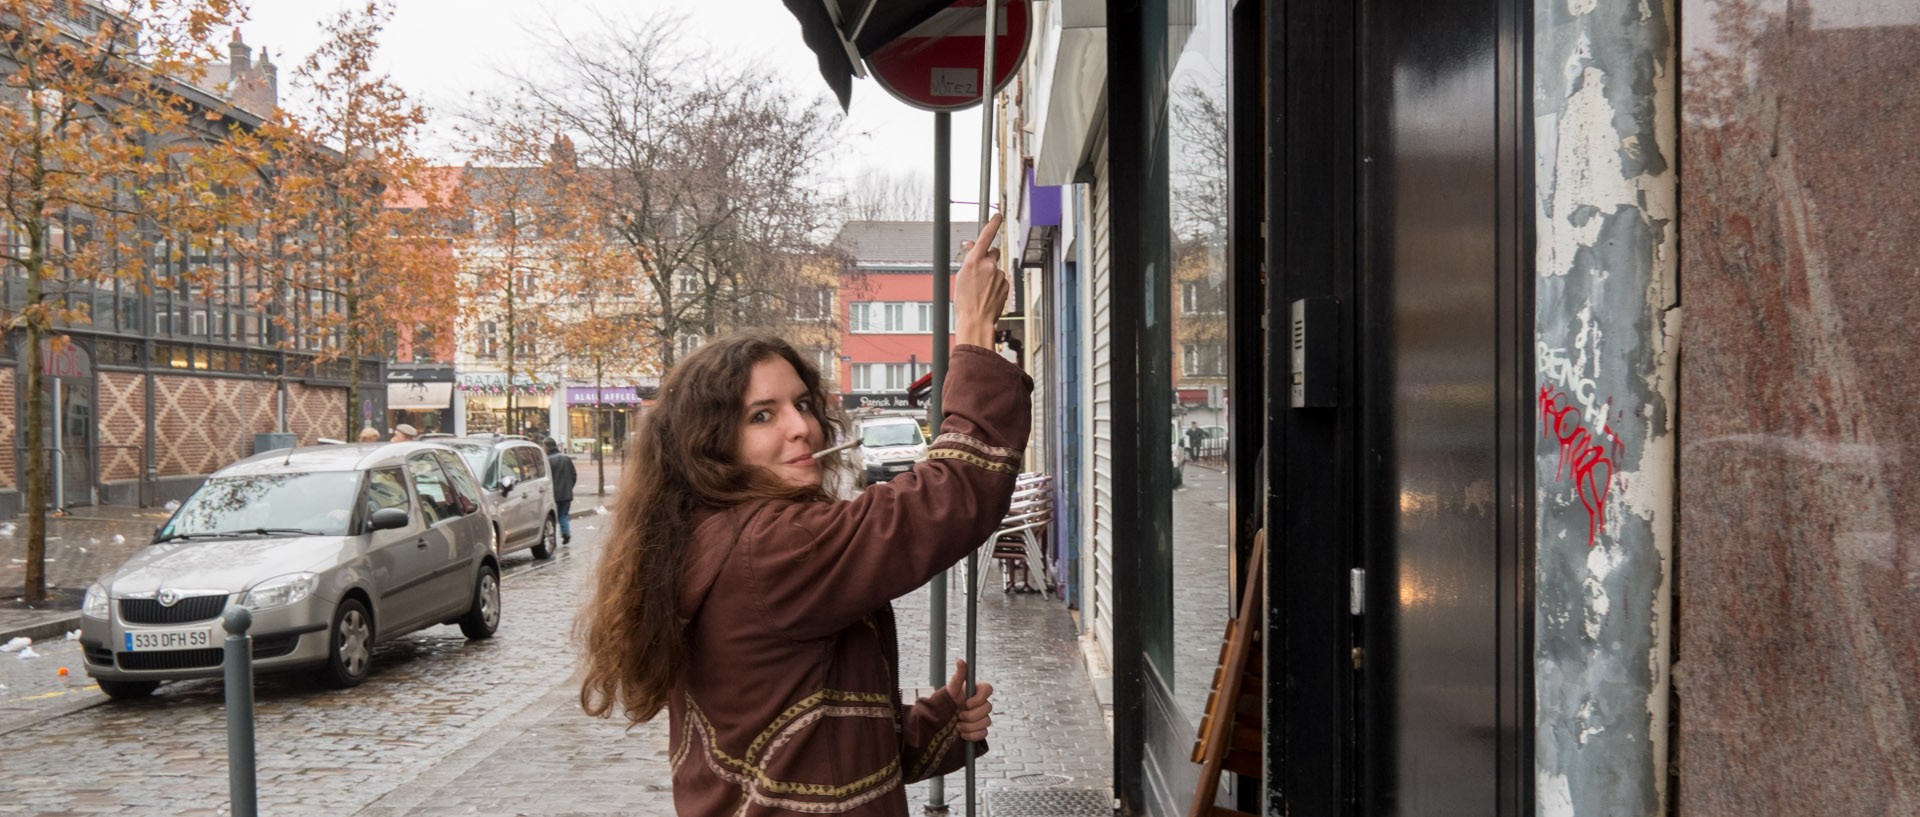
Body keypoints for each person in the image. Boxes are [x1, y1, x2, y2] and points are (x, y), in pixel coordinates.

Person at [578, 216, 1021, 817]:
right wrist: (972, 330)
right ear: (713, 444)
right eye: (762, 415)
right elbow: (952, 496)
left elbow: (805, 737)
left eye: (803, 404)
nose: (801, 427)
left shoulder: (713, 533)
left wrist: (936, 726)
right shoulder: (768, 547)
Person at [544, 437, 578, 544]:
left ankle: (552, 537)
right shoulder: (566, 458)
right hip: (566, 493)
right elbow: (574, 475)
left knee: (553, 516)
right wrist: (569, 487)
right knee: (563, 514)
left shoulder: (547, 460)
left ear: (547, 447)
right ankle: (565, 533)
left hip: (554, 494)